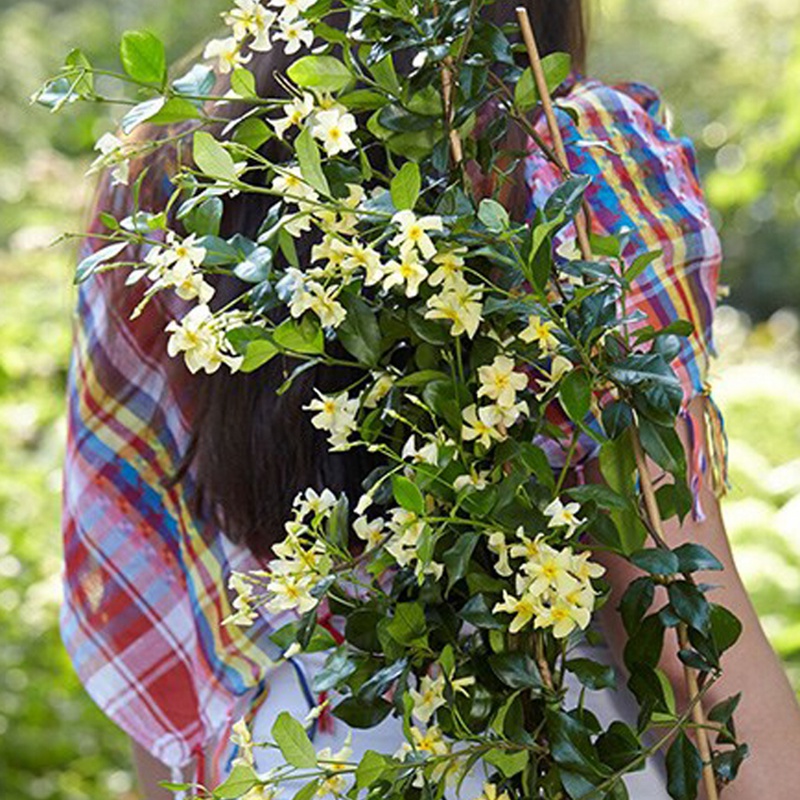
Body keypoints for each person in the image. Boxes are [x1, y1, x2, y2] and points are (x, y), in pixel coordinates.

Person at [61, 1, 800, 798]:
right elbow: (680, 640)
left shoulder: (169, 165)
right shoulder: (576, 157)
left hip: (290, 760)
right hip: (556, 744)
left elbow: (156, 590)